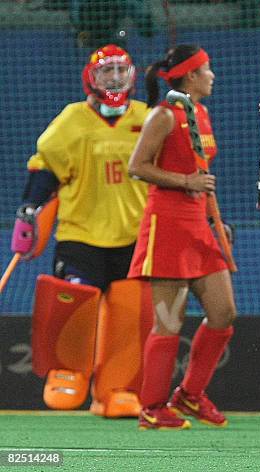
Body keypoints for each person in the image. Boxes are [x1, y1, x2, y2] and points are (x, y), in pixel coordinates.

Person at [10, 44, 151, 418]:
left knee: (128, 317)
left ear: (133, 76)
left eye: (122, 70)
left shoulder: (148, 118)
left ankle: (117, 389)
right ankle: (67, 374)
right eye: (108, 72)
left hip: (134, 236)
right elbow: (46, 168)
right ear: (91, 78)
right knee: (73, 310)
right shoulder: (71, 119)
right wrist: (29, 209)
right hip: (80, 234)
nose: (116, 77)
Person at [128, 44, 236, 431]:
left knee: (223, 313)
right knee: (168, 322)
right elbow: (136, 167)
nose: (213, 76)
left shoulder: (200, 113)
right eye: (207, 70)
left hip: (197, 224)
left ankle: (189, 395)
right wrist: (185, 182)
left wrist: (214, 221)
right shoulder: (163, 115)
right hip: (168, 223)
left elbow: (202, 175)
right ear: (191, 76)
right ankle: (152, 407)